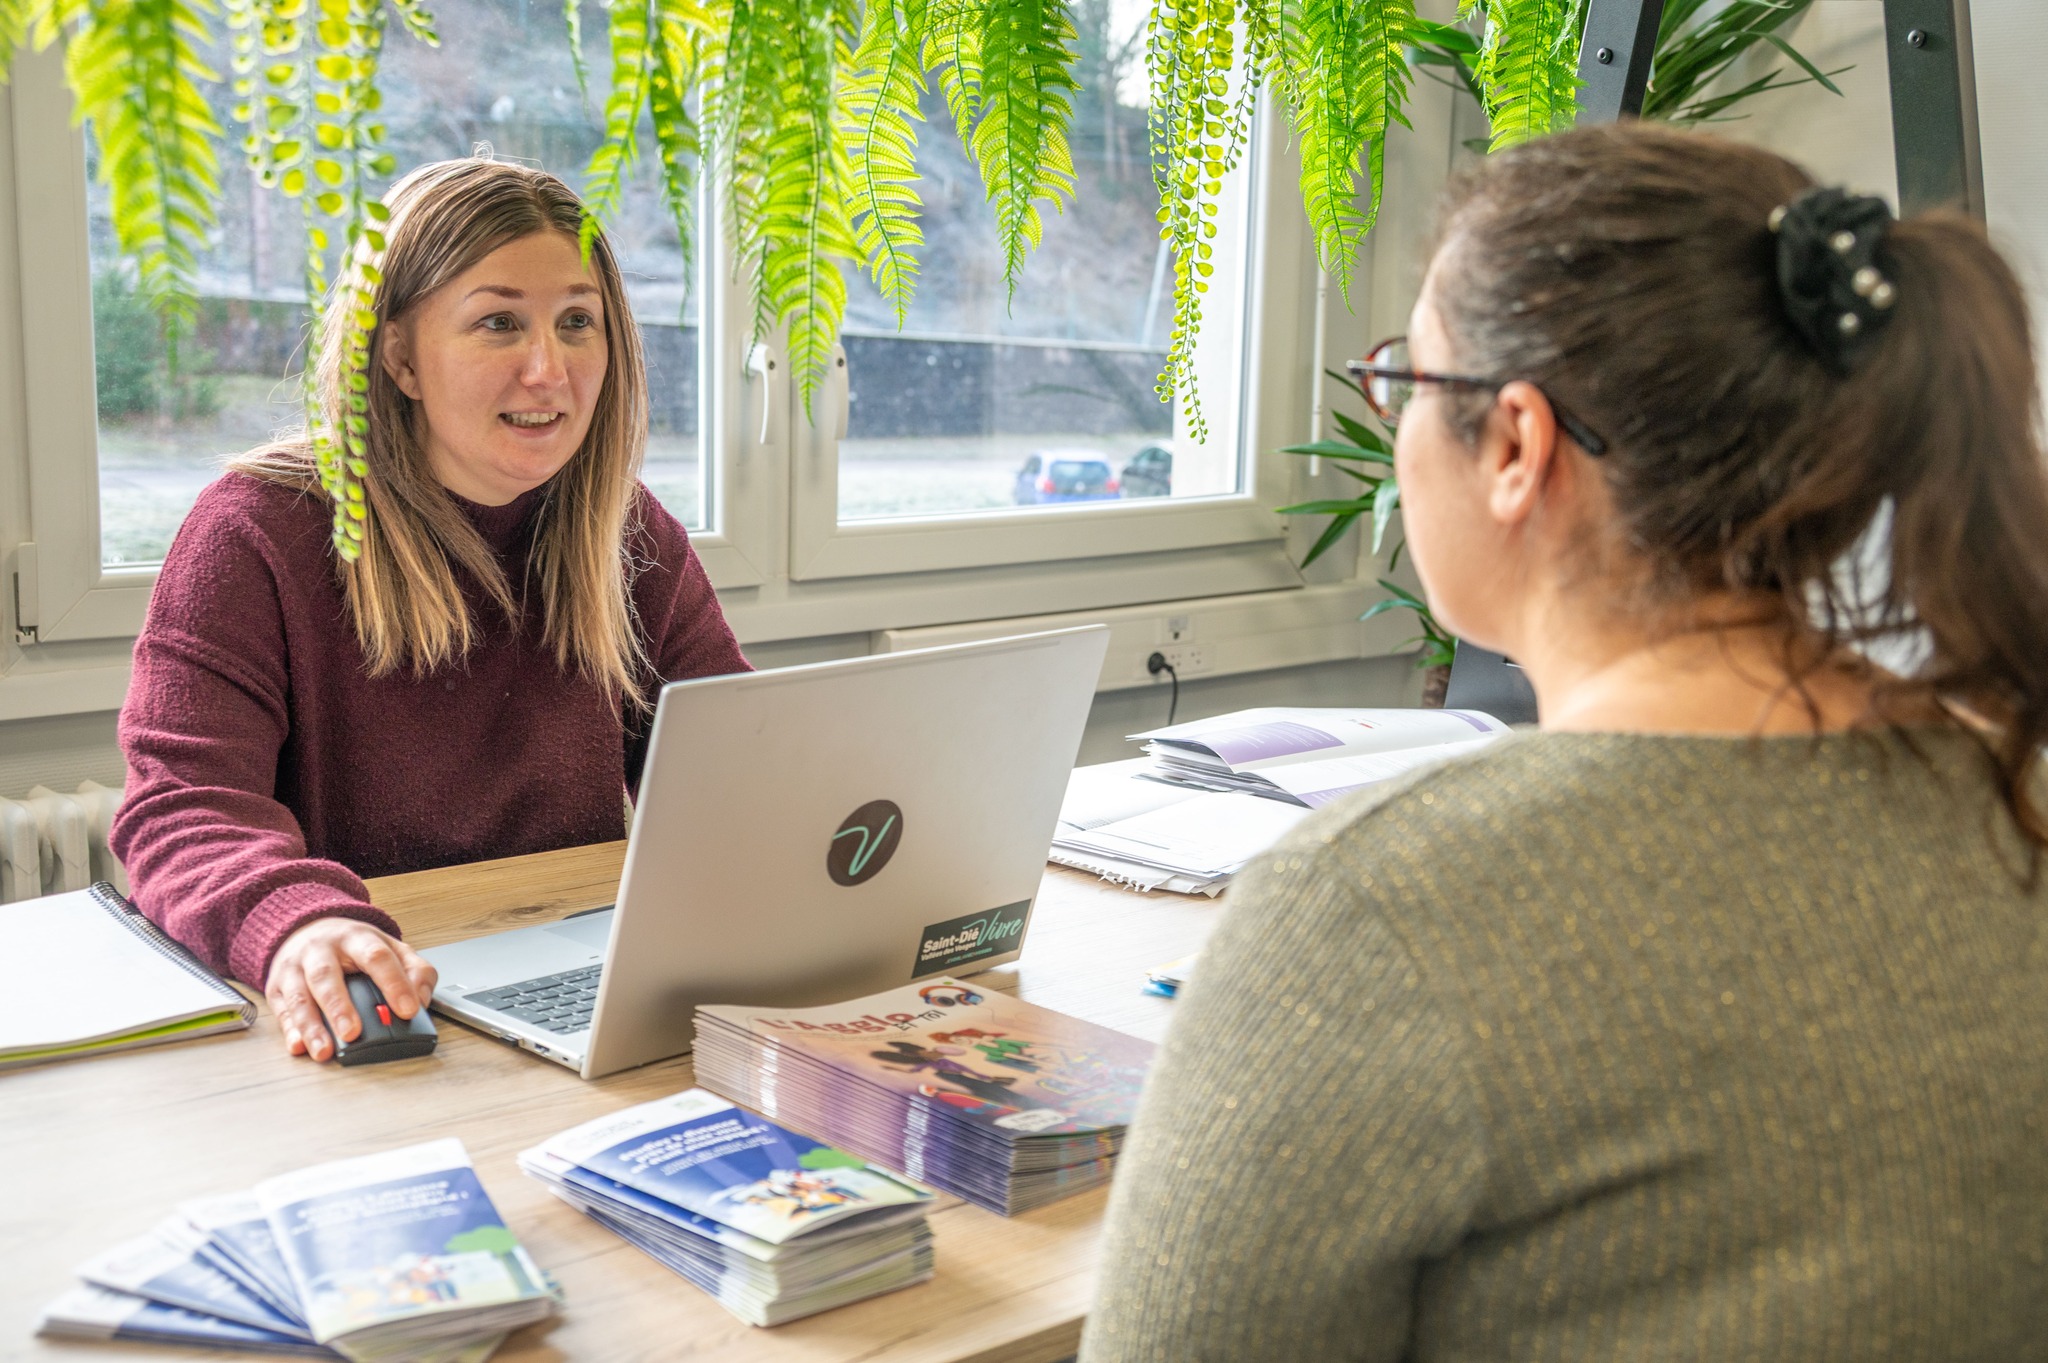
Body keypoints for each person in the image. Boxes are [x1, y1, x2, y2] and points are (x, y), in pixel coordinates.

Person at [1082, 122, 2048, 1360]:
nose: (1389, 424)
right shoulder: (2006, 793)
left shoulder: (1374, 909)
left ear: (1516, 445)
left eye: (1406, 383)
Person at [111, 158, 748, 1063]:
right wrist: (297, 925)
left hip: (575, 992)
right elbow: (181, 808)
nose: (548, 368)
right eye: (499, 323)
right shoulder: (255, 529)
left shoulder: (625, 529)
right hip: (365, 1008)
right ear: (401, 355)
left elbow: (736, 773)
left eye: (578, 322)